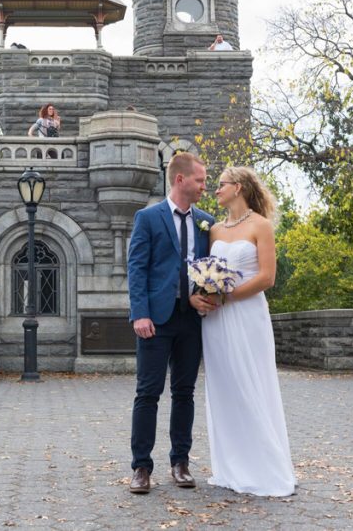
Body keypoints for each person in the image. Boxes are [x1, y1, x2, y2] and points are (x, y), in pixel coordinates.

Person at [190, 166, 297, 496]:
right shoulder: (215, 230)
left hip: (248, 315)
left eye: (221, 185)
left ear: (238, 188)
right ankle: (232, 466)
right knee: (225, 388)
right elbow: (206, 272)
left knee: (252, 382)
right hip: (217, 321)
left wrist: (229, 295)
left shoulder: (260, 226)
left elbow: (267, 277)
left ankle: (265, 467)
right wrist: (204, 296)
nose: (215, 190)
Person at [127, 152, 216, 494]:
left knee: (184, 393)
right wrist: (141, 313)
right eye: (200, 180)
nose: (204, 186)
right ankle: (141, 468)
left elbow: (209, 268)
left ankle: (180, 463)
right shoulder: (148, 218)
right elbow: (137, 268)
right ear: (180, 180)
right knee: (148, 393)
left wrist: (208, 297)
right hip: (156, 320)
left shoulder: (206, 221)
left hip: (191, 320)